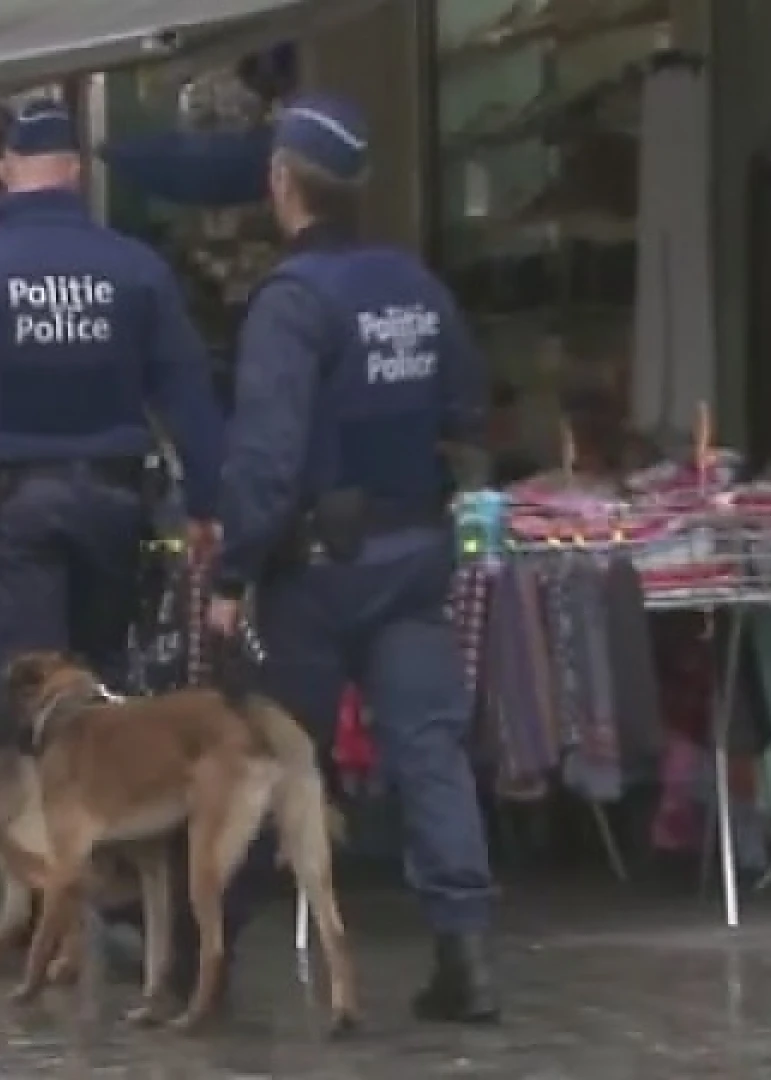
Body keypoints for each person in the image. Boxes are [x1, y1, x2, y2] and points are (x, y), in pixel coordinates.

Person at [204, 95, 501, 1023]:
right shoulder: (417, 285)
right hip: (415, 551)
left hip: (320, 568)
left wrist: (230, 572)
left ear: (284, 183)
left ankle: (203, 948)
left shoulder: (292, 303)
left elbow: (265, 455)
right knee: (429, 751)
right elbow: (466, 411)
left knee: (269, 752)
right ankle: (467, 954)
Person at [0, 98, 223, 680]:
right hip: (115, 506)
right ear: (77, 173)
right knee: (104, 688)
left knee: (30, 693)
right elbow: (188, 393)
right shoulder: (136, 270)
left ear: (7, 172)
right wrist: (210, 505)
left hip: (14, 512)